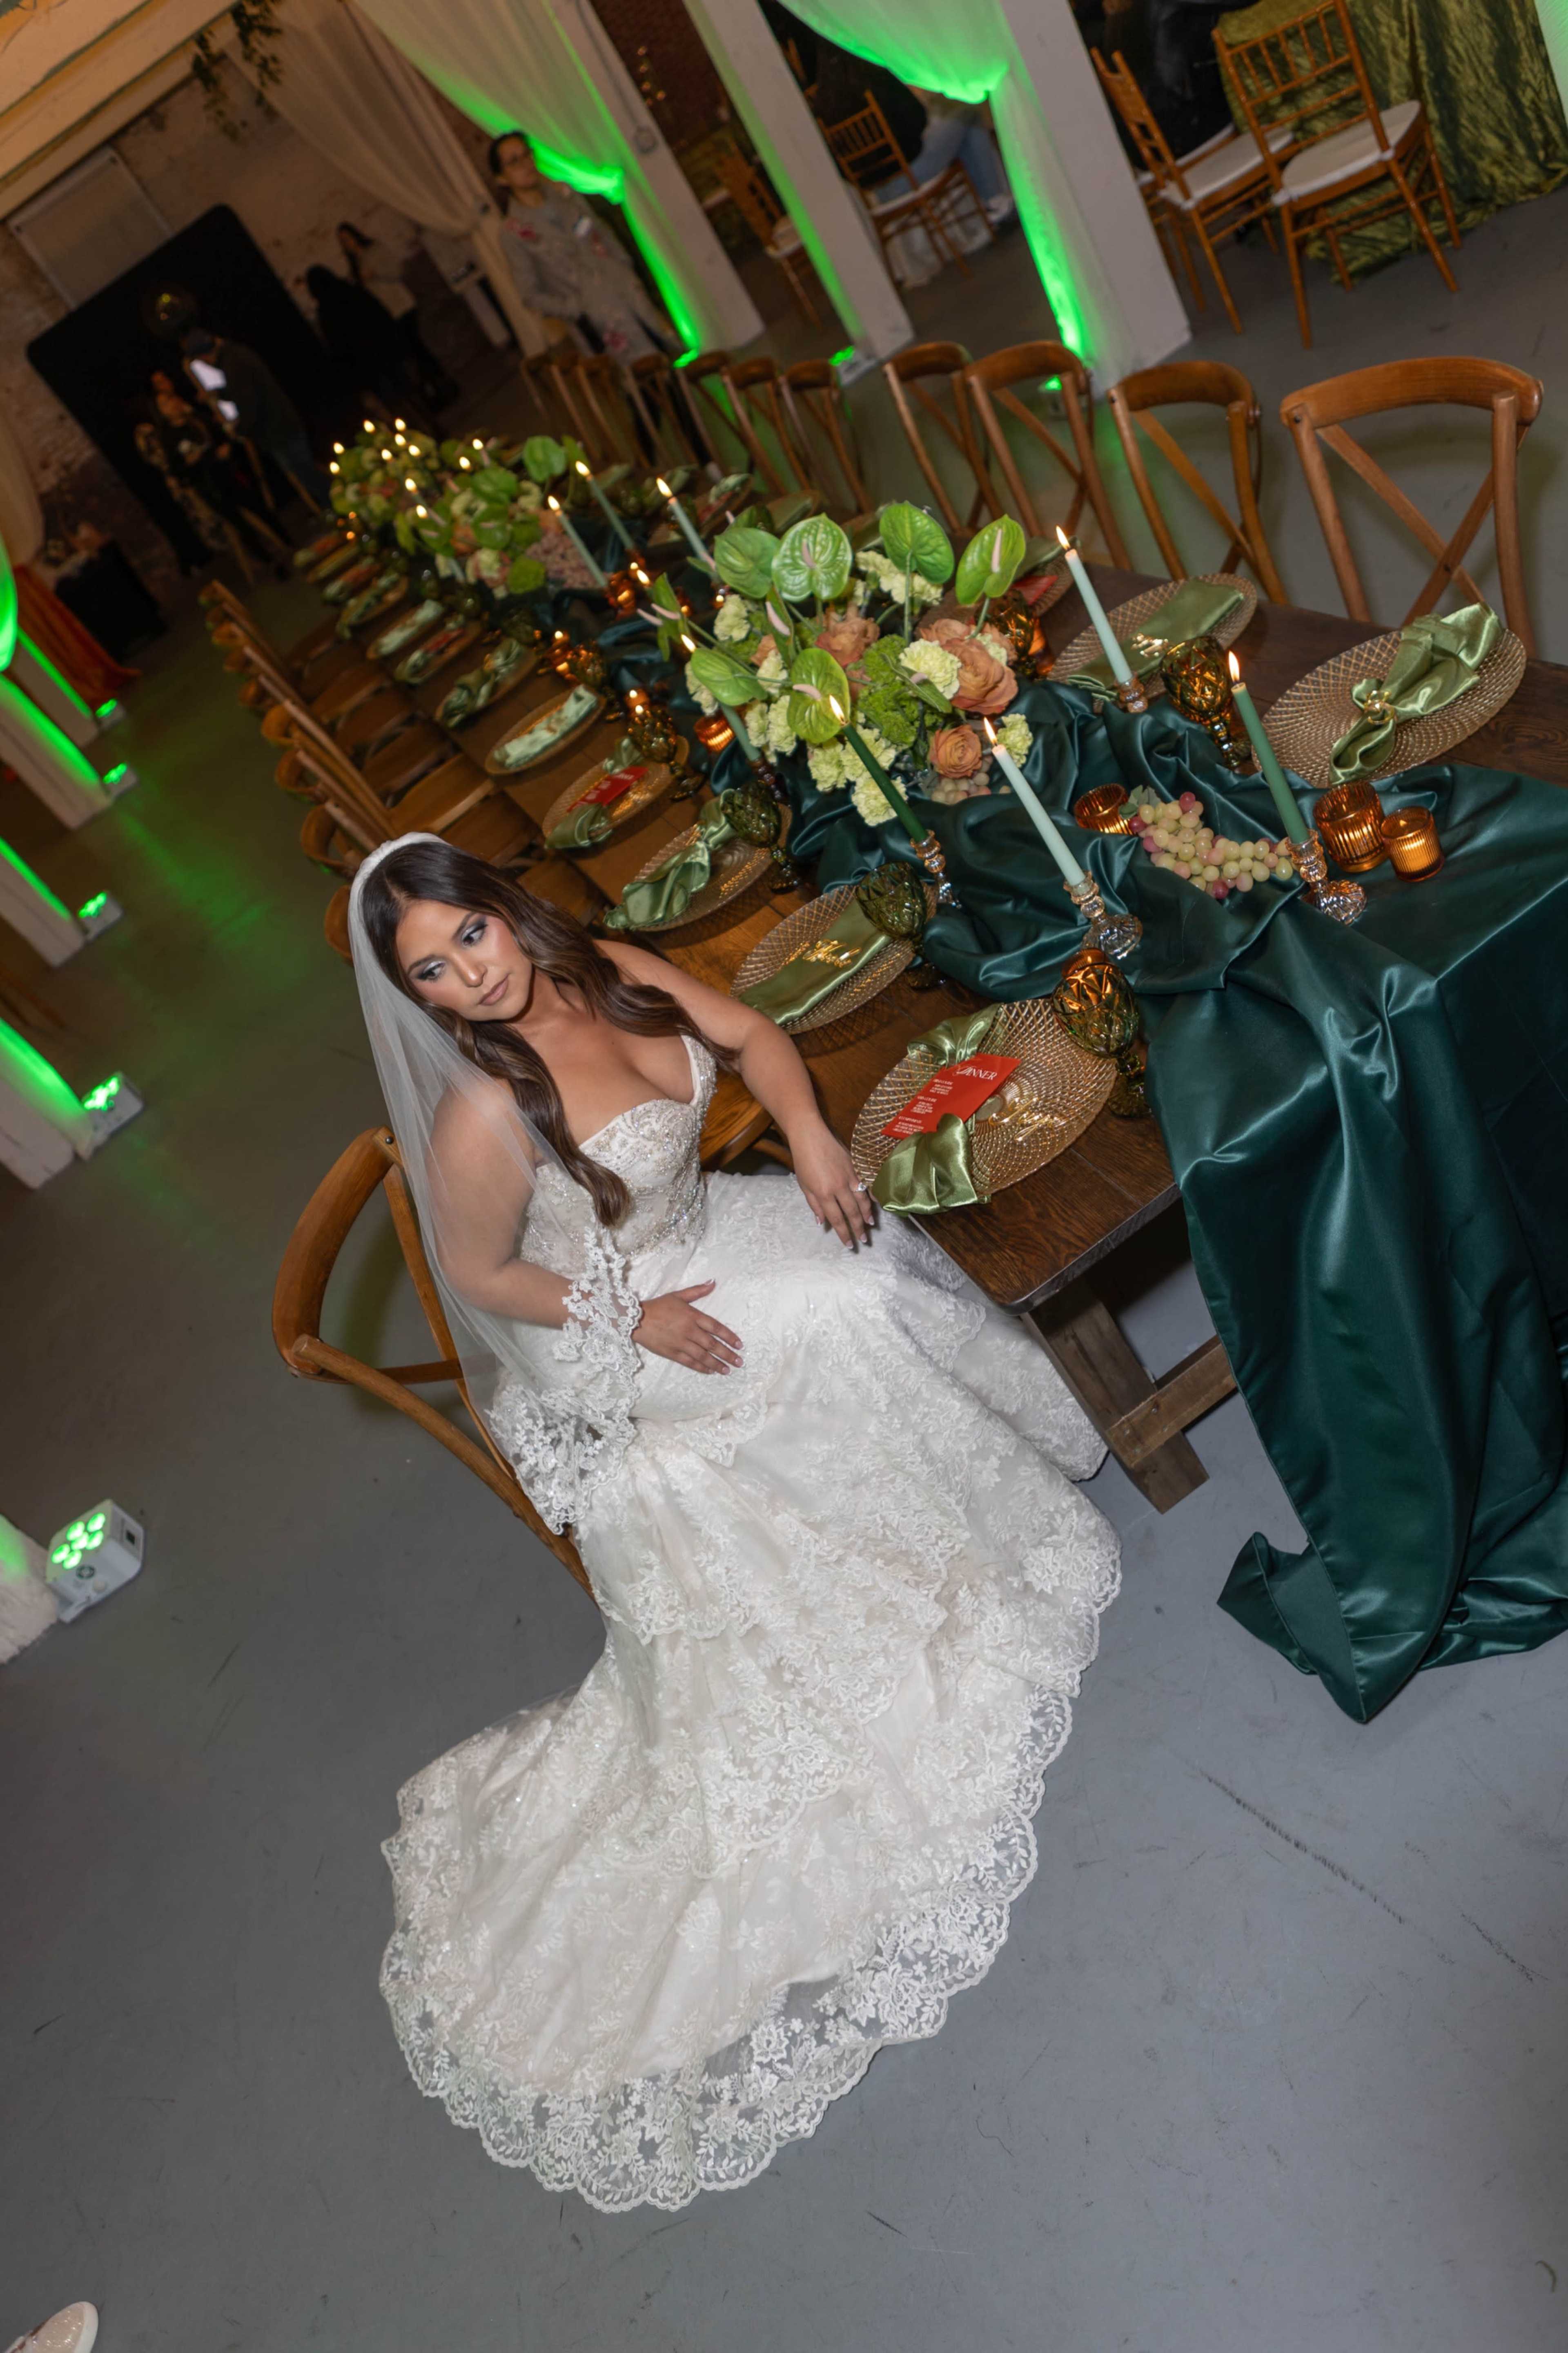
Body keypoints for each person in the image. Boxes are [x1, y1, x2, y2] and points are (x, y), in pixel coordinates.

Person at [351, 834, 1120, 2212]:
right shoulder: (481, 1115)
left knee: (864, 1267)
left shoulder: (608, 971)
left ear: (500, 911)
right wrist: (626, 1313)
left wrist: (815, 1134)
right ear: (424, 999)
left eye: (470, 933)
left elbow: (760, 1036)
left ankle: (953, 1533)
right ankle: (907, 1580)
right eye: (434, 970)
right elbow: (477, 1275)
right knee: (828, 1326)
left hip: (710, 1230)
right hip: (620, 1323)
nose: (473, 972)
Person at [487, 129, 671, 361]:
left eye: (527, 155)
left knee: (672, 359)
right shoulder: (513, 233)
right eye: (514, 162)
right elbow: (530, 294)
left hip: (630, 296)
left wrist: (625, 269)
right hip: (600, 324)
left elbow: (603, 233)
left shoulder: (565, 196)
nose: (526, 164)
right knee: (642, 382)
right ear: (502, 178)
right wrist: (576, 308)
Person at [179, 328, 330, 509]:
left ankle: (344, 509)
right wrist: (218, 394)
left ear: (204, 356)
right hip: (281, 426)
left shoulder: (233, 364)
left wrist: (237, 430)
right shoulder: (235, 356)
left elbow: (250, 405)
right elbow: (243, 392)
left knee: (310, 476)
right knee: (308, 473)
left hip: (279, 431)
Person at [336, 221, 458, 413]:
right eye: (343, 242)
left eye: (348, 238)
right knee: (412, 351)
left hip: (402, 305)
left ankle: (441, 384)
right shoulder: (355, 265)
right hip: (385, 315)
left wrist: (375, 273)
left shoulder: (375, 250)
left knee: (416, 347)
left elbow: (397, 271)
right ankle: (435, 386)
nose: (347, 243)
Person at [300, 262, 420, 424]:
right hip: (384, 350)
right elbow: (379, 312)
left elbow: (338, 349)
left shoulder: (327, 314)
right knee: (408, 391)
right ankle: (431, 425)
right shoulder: (352, 292)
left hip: (367, 365)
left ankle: (418, 433)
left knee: (395, 404)